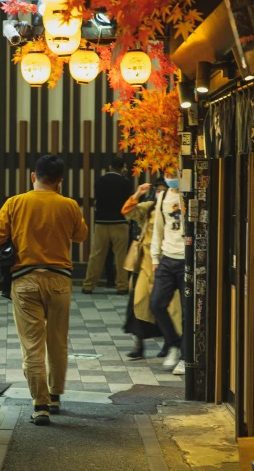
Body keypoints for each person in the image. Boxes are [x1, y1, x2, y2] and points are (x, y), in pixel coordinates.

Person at [0, 155, 88, 426]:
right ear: (60, 181)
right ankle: (55, 395)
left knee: (32, 346)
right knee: (57, 341)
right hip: (59, 281)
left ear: (34, 176)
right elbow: (80, 235)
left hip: (25, 280)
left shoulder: (15, 203)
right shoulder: (68, 205)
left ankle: (40, 405)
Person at [121, 179, 182, 359]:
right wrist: (137, 194)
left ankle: (170, 344)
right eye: (158, 190)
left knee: (172, 308)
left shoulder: (177, 207)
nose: (160, 193)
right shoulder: (149, 207)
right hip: (147, 263)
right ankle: (139, 344)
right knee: (139, 304)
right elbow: (127, 211)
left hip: (169, 261)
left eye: (164, 189)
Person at [150, 174, 187, 375]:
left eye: (175, 172)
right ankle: (174, 343)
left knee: (186, 311)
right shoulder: (162, 197)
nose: (172, 176)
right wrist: (155, 257)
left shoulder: (190, 193)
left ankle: (184, 356)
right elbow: (158, 228)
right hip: (167, 257)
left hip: (186, 258)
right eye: (169, 173)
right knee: (156, 304)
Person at [82, 157, 133, 294]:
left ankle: (88, 285)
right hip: (120, 223)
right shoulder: (126, 183)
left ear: (110, 167)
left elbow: (97, 201)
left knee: (97, 254)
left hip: (101, 223)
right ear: (122, 167)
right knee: (121, 256)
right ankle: (122, 286)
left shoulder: (99, 182)